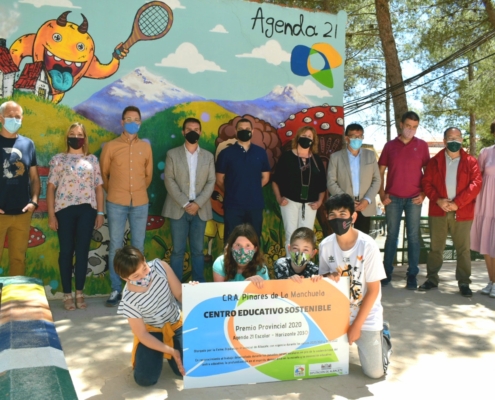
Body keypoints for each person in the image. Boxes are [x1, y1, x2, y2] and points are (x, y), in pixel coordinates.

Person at [319, 193, 391, 378]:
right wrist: (329, 275)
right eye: (332, 215)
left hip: (365, 316)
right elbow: (322, 279)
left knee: (375, 373)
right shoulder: (325, 245)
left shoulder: (368, 245)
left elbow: (374, 290)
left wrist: (356, 326)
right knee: (323, 365)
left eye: (342, 214)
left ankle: (383, 336)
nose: (337, 219)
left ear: (353, 216)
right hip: (338, 313)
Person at [47, 122, 105, 310]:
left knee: (82, 252)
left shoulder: (92, 160)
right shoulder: (58, 159)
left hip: (87, 211)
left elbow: (98, 187)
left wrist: (100, 212)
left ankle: (79, 292)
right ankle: (66, 294)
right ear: (67, 137)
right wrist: (51, 215)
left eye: (79, 134)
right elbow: (50, 188)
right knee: (66, 252)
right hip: (64, 211)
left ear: (84, 138)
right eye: (72, 134)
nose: (76, 137)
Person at [100, 106, 153, 306]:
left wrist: (137, 191)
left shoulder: (146, 147)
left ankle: (137, 289)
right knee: (116, 245)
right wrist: (116, 190)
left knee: (138, 246)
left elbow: (148, 177)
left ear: (140, 122)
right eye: (128, 119)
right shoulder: (111, 147)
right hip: (116, 202)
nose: (132, 122)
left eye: (136, 119)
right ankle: (116, 289)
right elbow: (104, 174)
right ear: (122, 122)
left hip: (140, 202)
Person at [420, 127, 481, 297]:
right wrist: (438, 200)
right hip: (438, 211)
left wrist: (458, 203)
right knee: (435, 248)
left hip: (462, 211)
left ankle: (464, 282)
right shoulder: (435, 161)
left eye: (457, 137)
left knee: (463, 249)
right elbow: (427, 183)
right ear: (444, 140)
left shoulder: (471, 161)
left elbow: (476, 184)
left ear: (462, 140)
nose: (454, 141)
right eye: (450, 138)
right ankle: (432, 279)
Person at [114, 246, 184, 386]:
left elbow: (180, 295)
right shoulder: (128, 300)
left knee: (188, 370)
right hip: (152, 331)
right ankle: (157, 353)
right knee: (145, 379)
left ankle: (172, 349)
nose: (144, 276)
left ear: (145, 260)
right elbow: (143, 334)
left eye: (144, 268)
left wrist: (193, 292)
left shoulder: (161, 266)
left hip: (176, 323)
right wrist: (172, 351)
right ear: (124, 278)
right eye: (136, 276)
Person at [378, 111, 430, 289]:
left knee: (414, 237)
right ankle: (385, 273)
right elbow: (380, 171)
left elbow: (428, 173)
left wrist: (423, 194)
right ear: (401, 124)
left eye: (414, 127)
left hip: (414, 199)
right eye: (408, 126)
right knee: (391, 237)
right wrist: (382, 194)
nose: (411, 130)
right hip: (392, 199)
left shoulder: (422, 146)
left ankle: (412, 276)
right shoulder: (389, 146)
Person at [162, 117, 215, 282]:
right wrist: (186, 203)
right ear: (183, 132)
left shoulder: (208, 156)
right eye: (189, 129)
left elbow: (211, 181)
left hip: (200, 210)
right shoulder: (172, 154)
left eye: (196, 129)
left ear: (200, 132)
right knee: (178, 250)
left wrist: (197, 203)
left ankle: (198, 286)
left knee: (198, 250)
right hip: (178, 208)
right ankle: (176, 287)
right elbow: (169, 180)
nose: (193, 132)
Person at [0, 100, 40, 276]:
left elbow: (34, 177)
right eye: (10, 116)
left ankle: (14, 300)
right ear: (1, 118)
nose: (15, 120)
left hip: (22, 214)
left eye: (18, 117)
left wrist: (33, 202)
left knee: (18, 259)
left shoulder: (28, 144)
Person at [272, 126, 326, 253]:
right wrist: (279, 198)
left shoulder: (316, 160)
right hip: (289, 202)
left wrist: (319, 202)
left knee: (306, 237)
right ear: (297, 137)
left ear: (313, 141)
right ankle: (290, 267)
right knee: (291, 235)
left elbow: (322, 185)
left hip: (310, 205)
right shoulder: (287, 157)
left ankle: (303, 266)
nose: (306, 139)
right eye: (304, 135)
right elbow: (275, 181)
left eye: (309, 137)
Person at [215, 118, 271, 241]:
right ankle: (230, 261)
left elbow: (266, 177)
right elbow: (219, 179)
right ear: (235, 131)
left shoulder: (260, 152)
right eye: (240, 129)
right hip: (233, 206)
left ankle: (254, 261)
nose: (244, 131)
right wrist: (232, 190)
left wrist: (253, 187)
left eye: (247, 129)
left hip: (255, 205)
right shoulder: (226, 153)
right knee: (232, 241)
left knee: (254, 241)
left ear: (252, 131)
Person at [327, 123, 381, 235]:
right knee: (344, 240)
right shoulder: (336, 157)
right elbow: (331, 182)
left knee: (362, 242)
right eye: (354, 136)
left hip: (365, 207)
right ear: (347, 138)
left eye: (360, 136)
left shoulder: (370, 155)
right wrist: (348, 201)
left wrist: (367, 200)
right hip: (344, 207)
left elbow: (377, 180)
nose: (358, 139)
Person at [471, 120, 495, 298]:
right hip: (487, 204)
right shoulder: (486, 152)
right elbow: (477, 178)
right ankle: (492, 281)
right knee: (487, 245)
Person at [213, 223, 269, 288]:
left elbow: (267, 296)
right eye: (238, 245)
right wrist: (244, 285)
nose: (242, 251)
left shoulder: (261, 269)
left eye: (248, 246)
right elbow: (219, 294)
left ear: (255, 249)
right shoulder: (220, 264)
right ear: (231, 247)